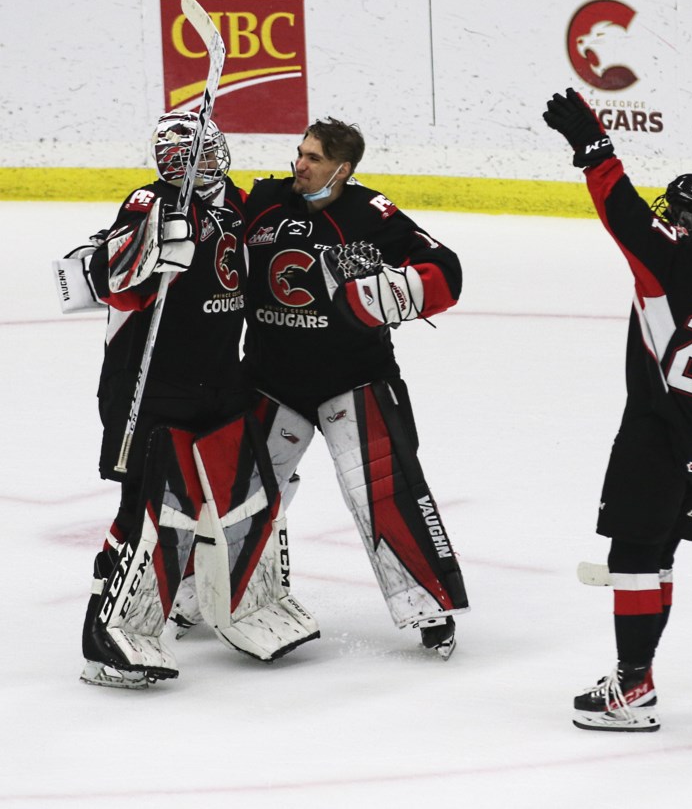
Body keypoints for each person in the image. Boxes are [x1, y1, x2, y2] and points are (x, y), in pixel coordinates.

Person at [543, 89, 692, 731]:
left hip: (656, 435)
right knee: (658, 557)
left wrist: (594, 149)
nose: (663, 216)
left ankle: (633, 689)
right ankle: (635, 676)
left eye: (672, 210)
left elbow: (619, 212)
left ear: (689, 222)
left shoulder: (669, 264)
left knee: (633, 559)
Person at [74, 111, 318, 689]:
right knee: (152, 510)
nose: (206, 162)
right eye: (192, 155)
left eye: (211, 150)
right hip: (153, 383)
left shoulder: (236, 203)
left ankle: (245, 604)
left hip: (219, 378)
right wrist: (155, 251)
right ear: (168, 164)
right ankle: (108, 638)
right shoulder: (150, 203)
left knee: (247, 493)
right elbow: (108, 280)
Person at [242, 117, 469, 659]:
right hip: (272, 380)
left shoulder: (373, 213)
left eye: (313, 158)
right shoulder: (263, 202)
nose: (299, 164)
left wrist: (394, 291)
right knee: (240, 494)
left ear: (342, 169)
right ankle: (207, 593)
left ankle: (428, 605)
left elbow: (445, 270)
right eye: (298, 153)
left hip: (354, 378)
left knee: (385, 490)